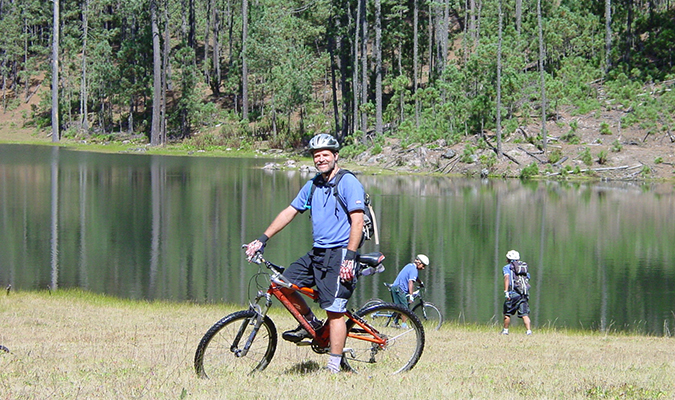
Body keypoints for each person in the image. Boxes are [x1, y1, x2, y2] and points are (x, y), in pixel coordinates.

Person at [244, 133, 366, 373]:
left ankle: (333, 367)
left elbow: (358, 222)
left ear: (335, 156)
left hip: (340, 253)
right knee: (282, 284)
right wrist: (262, 239)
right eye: (316, 156)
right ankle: (310, 323)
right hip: (318, 253)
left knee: (335, 311)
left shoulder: (348, 182)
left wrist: (350, 258)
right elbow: (289, 211)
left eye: (325, 155)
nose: (320, 159)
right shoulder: (313, 185)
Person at [389, 254, 429, 327]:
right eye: (423, 266)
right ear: (419, 263)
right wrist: (411, 295)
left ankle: (395, 322)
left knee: (399, 307)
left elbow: (415, 277)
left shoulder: (410, 266)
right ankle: (404, 325)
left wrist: (420, 282)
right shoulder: (414, 270)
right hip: (399, 289)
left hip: (395, 287)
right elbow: (411, 282)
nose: (423, 268)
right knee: (405, 308)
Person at [502, 250, 532, 335]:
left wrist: (506, 291)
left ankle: (505, 331)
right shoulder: (523, 267)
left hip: (513, 293)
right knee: (524, 313)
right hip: (523, 293)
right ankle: (529, 331)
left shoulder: (507, 267)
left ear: (508, 259)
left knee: (507, 312)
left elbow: (507, 278)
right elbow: (528, 278)